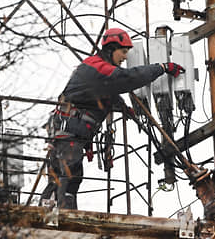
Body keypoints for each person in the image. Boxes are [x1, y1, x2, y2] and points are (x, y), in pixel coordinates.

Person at [41, 27, 184, 209]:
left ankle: (49, 212)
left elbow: (105, 93)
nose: (125, 57)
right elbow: (128, 78)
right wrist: (162, 68)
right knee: (70, 176)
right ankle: (61, 217)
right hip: (68, 133)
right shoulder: (98, 67)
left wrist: (125, 109)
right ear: (111, 49)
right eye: (123, 52)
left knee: (63, 177)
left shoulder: (95, 70)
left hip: (66, 131)